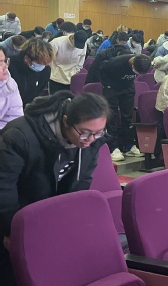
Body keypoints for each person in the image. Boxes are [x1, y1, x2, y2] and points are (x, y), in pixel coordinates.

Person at [0, 91, 109, 284]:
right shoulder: (18, 136)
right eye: (84, 132)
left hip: (50, 221)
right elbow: (4, 190)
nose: (90, 139)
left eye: (98, 133)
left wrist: (68, 222)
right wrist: (12, 231)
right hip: (16, 217)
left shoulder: (92, 140)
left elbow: (83, 181)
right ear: (66, 120)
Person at [100, 54, 151, 161]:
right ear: (132, 63)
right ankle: (113, 148)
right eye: (136, 71)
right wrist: (106, 85)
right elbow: (101, 68)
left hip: (127, 88)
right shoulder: (116, 63)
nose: (136, 74)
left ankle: (129, 145)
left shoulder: (141, 63)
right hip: (111, 88)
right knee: (112, 117)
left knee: (128, 117)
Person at [8, 38, 54, 106]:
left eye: (45, 64)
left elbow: (38, 92)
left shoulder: (45, 70)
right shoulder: (9, 65)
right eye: (39, 63)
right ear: (27, 59)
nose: (42, 66)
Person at [0, 47, 22, 129]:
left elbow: (15, 115)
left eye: (5, 61)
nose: (5, 66)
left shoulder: (10, 84)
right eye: (0, 63)